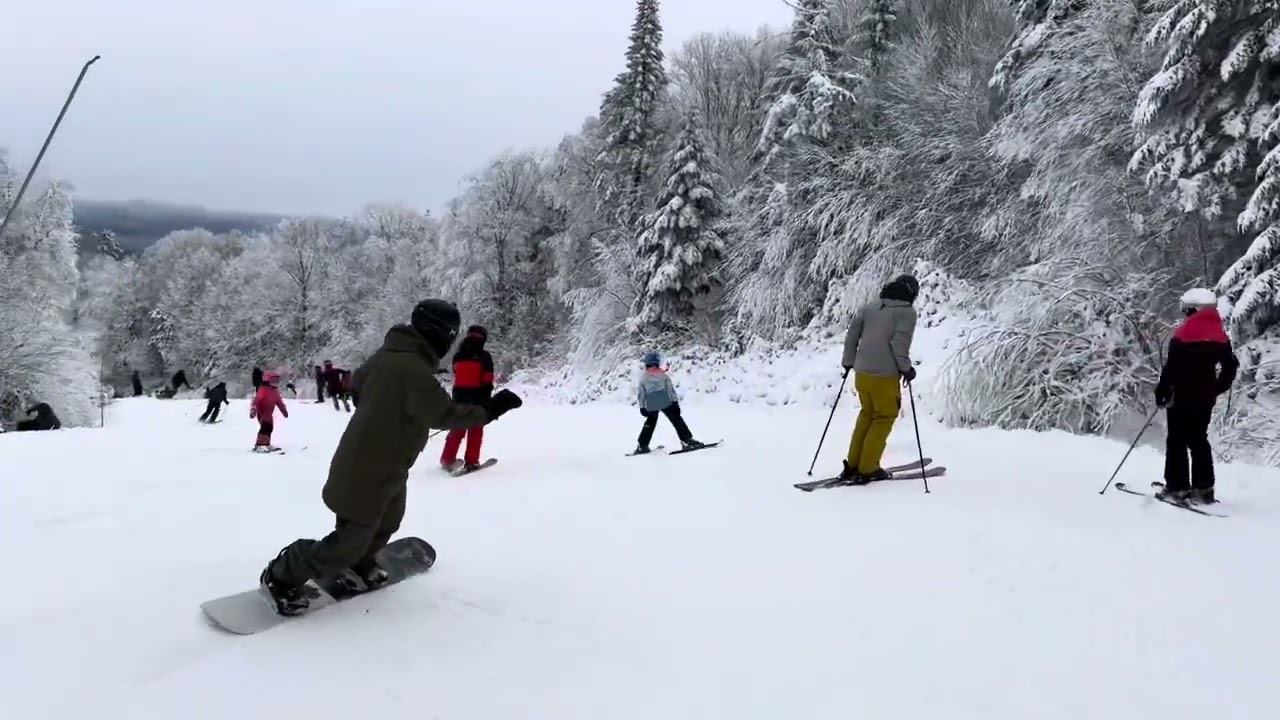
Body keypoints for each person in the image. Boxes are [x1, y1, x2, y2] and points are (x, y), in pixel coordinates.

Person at [258, 299, 524, 615]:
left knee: (388, 521)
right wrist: (491, 409)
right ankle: (282, 574)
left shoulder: (394, 355)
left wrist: (385, 411)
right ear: (438, 333)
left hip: (389, 464)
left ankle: (360, 561)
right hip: (366, 467)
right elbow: (446, 414)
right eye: (451, 336)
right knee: (349, 541)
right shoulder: (410, 368)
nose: (451, 343)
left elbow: (358, 383)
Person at [1154, 288, 1239, 505]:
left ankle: (1177, 487)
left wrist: (1162, 392)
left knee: (1177, 441)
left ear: (1194, 309)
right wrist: (1216, 388)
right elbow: (1230, 367)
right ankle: (1204, 489)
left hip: (1180, 396)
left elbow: (1171, 368)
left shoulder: (1183, 334)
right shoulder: (1220, 335)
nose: (1185, 314)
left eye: (1187, 309)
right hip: (1205, 399)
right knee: (1198, 439)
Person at [838, 274, 920, 483]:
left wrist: (848, 362)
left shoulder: (870, 307)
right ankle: (868, 468)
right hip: (884, 376)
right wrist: (907, 369)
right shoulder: (906, 313)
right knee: (884, 417)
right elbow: (899, 345)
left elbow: (852, 336)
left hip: (862, 373)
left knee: (867, 414)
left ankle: (854, 464)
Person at [440, 325, 496, 471]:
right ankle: (471, 461)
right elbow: (488, 379)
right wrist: (486, 398)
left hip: (459, 397)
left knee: (457, 429)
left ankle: (447, 458)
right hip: (477, 399)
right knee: (475, 430)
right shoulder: (484, 356)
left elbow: (456, 372)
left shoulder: (458, 356)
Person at [633, 351, 704, 454]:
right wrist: (675, 403)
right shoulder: (663, 375)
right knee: (676, 420)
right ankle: (687, 440)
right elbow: (670, 390)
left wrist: (642, 407)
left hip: (651, 402)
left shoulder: (644, 377)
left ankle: (642, 445)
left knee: (650, 423)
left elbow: (641, 393)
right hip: (664, 400)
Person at [249, 371, 289, 452]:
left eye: (277, 381)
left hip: (269, 413)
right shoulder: (263, 389)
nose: (277, 382)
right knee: (264, 427)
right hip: (262, 412)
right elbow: (256, 400)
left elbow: (279, 402)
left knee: (270, 428)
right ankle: (260, 445)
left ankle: (266, 443)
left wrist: (284, 411)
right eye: (275, 381)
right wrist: (253, 410)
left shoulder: (274, 391)